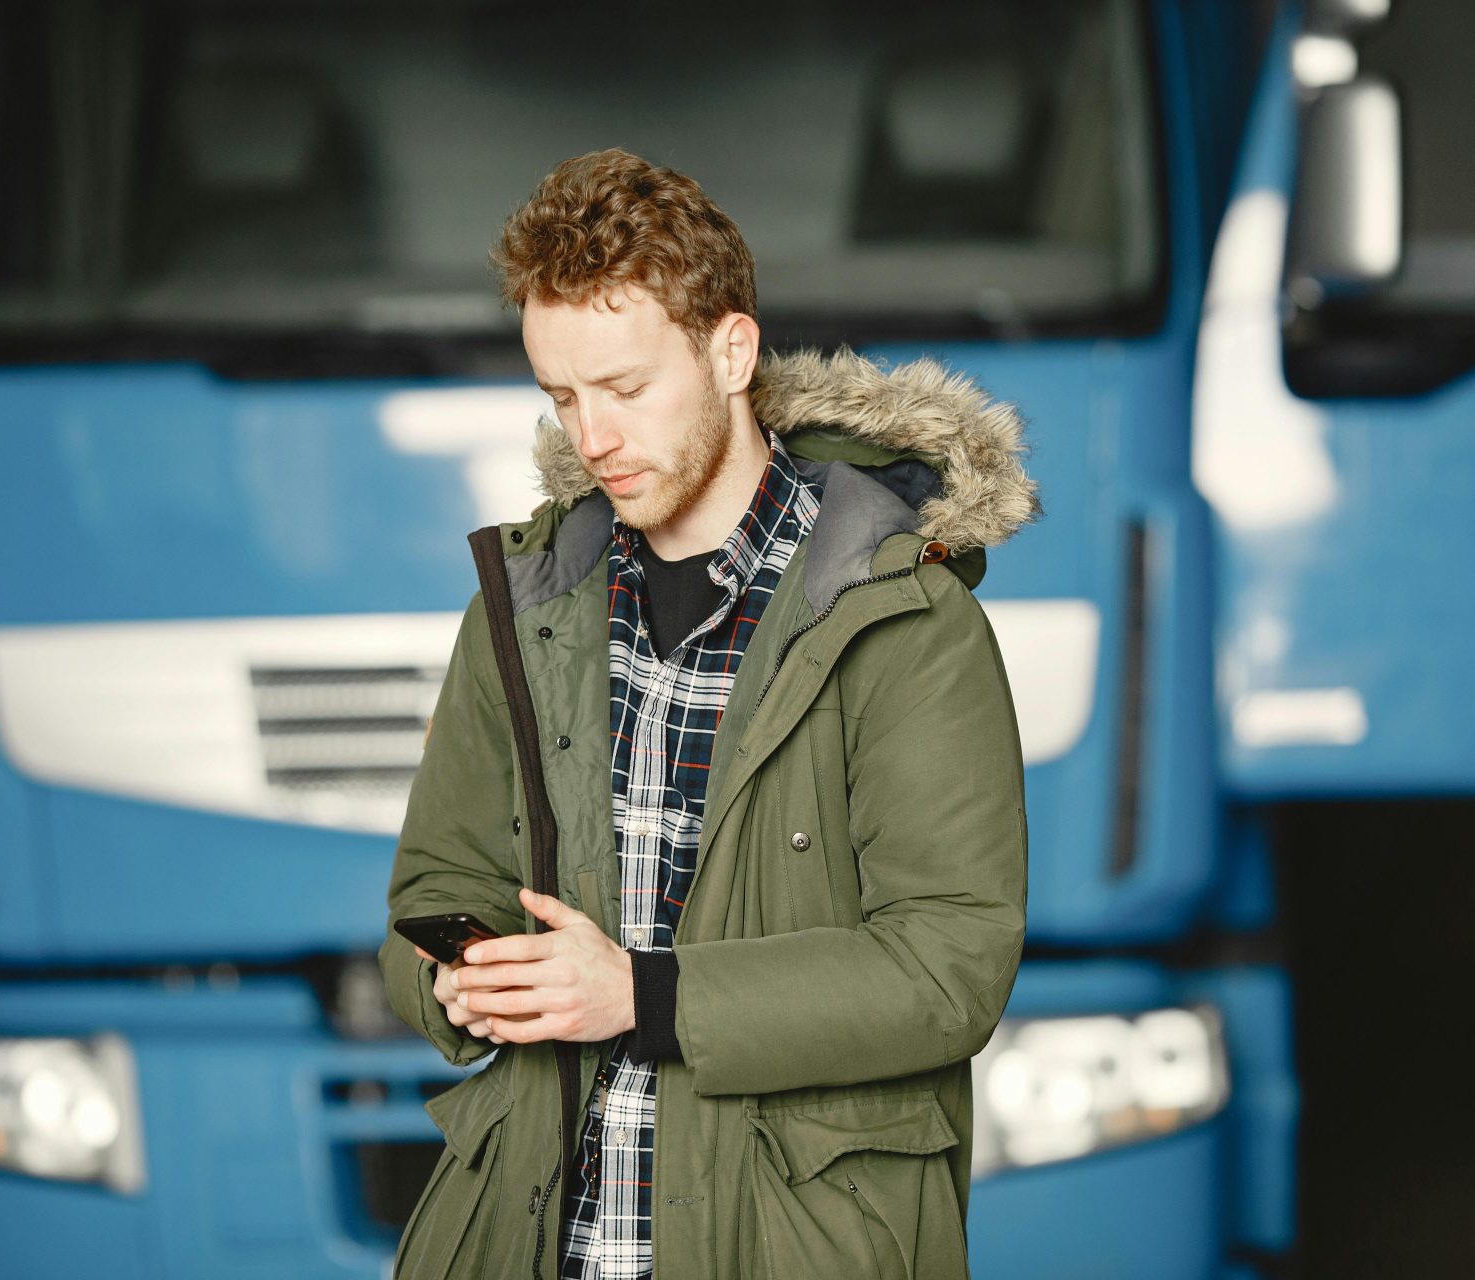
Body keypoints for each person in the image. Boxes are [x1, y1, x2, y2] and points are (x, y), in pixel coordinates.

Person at [379, 147, 1036, 1280]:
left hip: (788, 1241)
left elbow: (949, 967)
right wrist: (459, 975)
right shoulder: (525, 610)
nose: (592, 438)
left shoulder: (904, 620)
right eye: (562, 397)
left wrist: (639, 995)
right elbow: (426, 897)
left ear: (731, 351)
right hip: (536, 1239)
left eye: (626, 389)